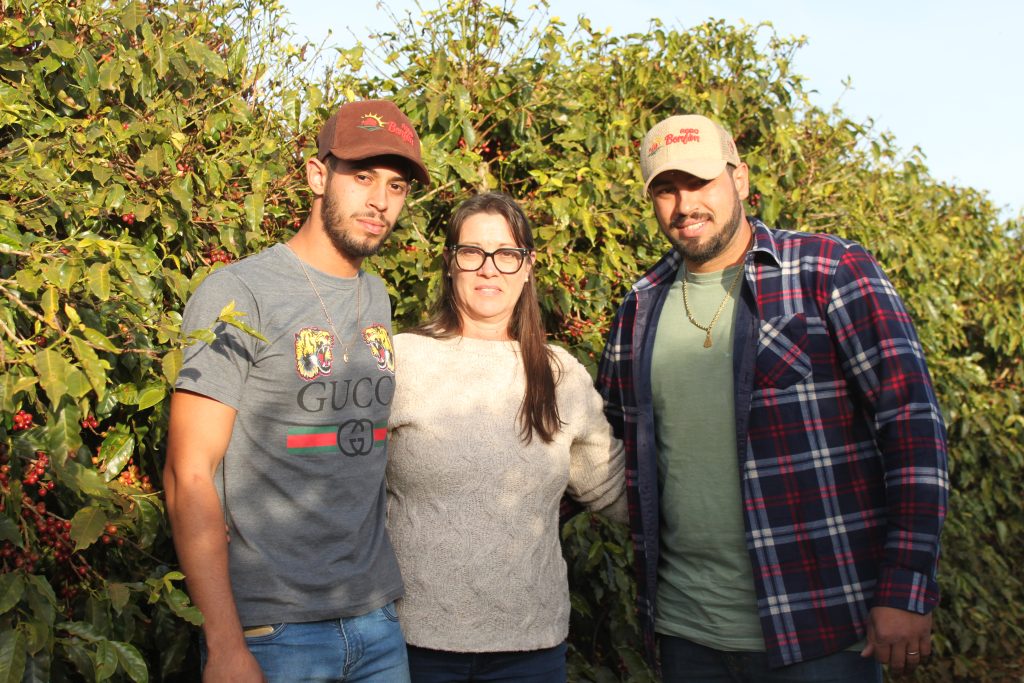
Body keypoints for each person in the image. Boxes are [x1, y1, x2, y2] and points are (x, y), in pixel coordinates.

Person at [596, 114, 949, 681]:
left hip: (822, 627)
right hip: (687, 630)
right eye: (666, 189)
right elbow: (606, 445)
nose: (684, 205)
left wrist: (906, 585)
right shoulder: (640, 307)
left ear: (740, 178)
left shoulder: (829, 270)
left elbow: (911, 425)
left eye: (701, 182)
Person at [163, 99, 430, 682]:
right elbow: (188, 474)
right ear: (317, 175)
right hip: (274, 634)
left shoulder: (378, 296)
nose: (380, 201)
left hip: (377, 620)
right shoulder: (237, 292)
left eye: (396, 186)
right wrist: (227, 644)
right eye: (361, 177)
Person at [385, 191, 627, 682]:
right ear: (450, 263)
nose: (488, 269)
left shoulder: (561, 374)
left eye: (507, 254)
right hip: (413, 644)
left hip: (531, 649)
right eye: (472, 252)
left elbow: (614, 489)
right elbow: (335, 478)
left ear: (527, 266)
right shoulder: (401, 360)